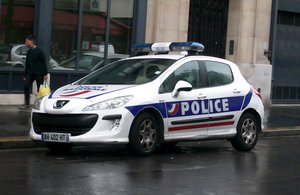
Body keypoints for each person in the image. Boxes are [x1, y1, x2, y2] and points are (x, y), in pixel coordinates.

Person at [20, 35, 48, 110]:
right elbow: (27, 63)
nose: (25, 43)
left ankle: (40, 104)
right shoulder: (29, 52)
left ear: (31, 41)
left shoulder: (39, 51)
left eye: (26, 41)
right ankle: (27, 104)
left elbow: (44, 63)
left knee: (40, 89)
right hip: (30, 73)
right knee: (26, 86)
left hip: (39, 73)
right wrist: (25, 74)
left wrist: (45, 73)